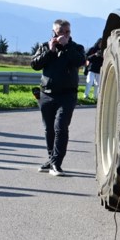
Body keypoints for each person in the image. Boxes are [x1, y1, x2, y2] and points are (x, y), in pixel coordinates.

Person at [30, 19, 86, 176]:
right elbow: (34, 65)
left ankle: (56, 163)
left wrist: (67, 46)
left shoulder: (76, 47)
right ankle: (51, 159)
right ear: (54, 32)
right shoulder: (44, 46)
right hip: (46, 94)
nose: (65, 35)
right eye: (61, 32)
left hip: (67, 95)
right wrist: (50, 51)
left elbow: (81, 61)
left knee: (60, 128)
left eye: (67, 32)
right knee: (49, 129)